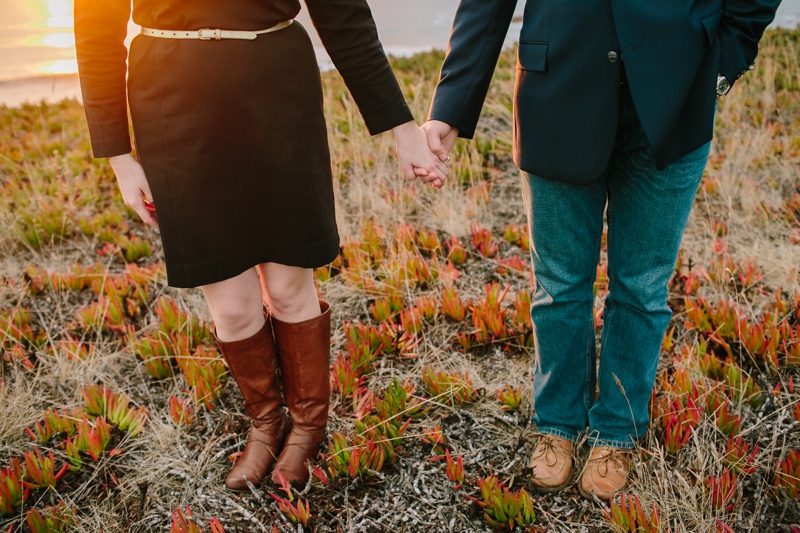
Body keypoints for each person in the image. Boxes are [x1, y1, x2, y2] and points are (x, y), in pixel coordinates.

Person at [74, 0, 446, 492]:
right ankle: (267, 425)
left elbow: (342, 15)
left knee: (291, 287)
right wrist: (119, 155)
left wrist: (403, 129)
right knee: (230, 305)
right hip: (170, 100)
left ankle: (309, 425)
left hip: (277, 92)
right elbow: (95, 28)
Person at [422, 0, 780, 500]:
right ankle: (558, 424)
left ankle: (617, 431)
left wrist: (729, 54)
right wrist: (451, 108)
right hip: (558, 87)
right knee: (560, 284)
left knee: (641, 286)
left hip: (678, 88)